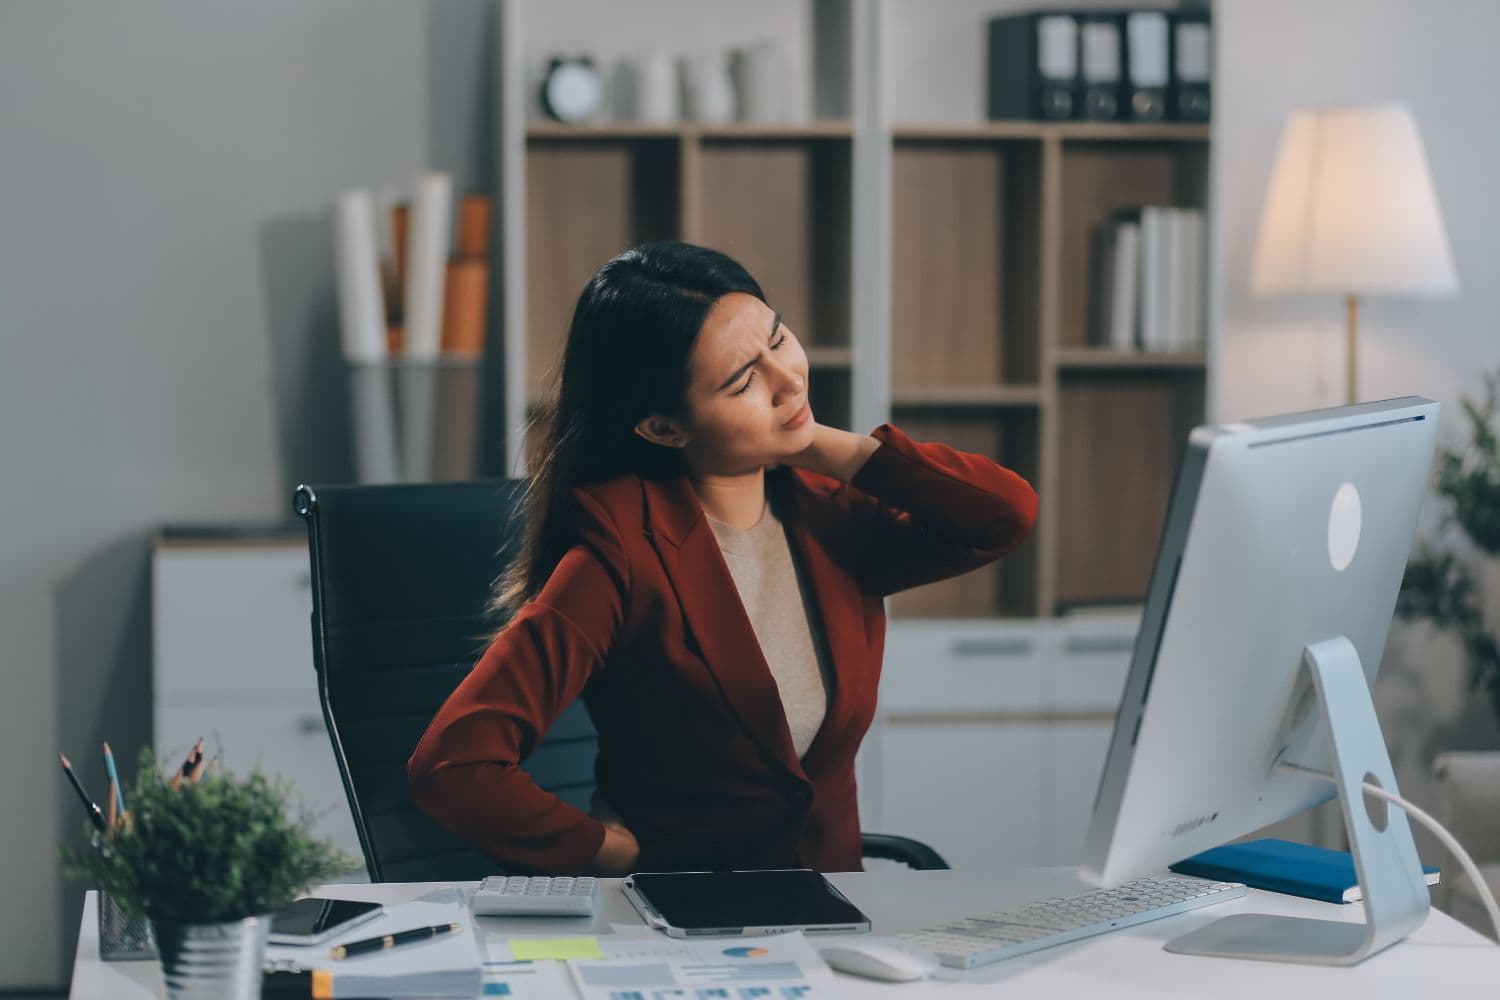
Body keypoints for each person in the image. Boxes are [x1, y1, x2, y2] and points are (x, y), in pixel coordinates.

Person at [408, 242, 1038, 875]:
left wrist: (824, 447)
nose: (788, 379)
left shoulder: (833, 515)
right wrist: (601, 852)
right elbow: (454, 765)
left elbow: (1001, 516)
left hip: (834, 914)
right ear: (663, 428)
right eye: (743, 381)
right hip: (687, 927)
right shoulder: (621, 549)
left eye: (779, 338)